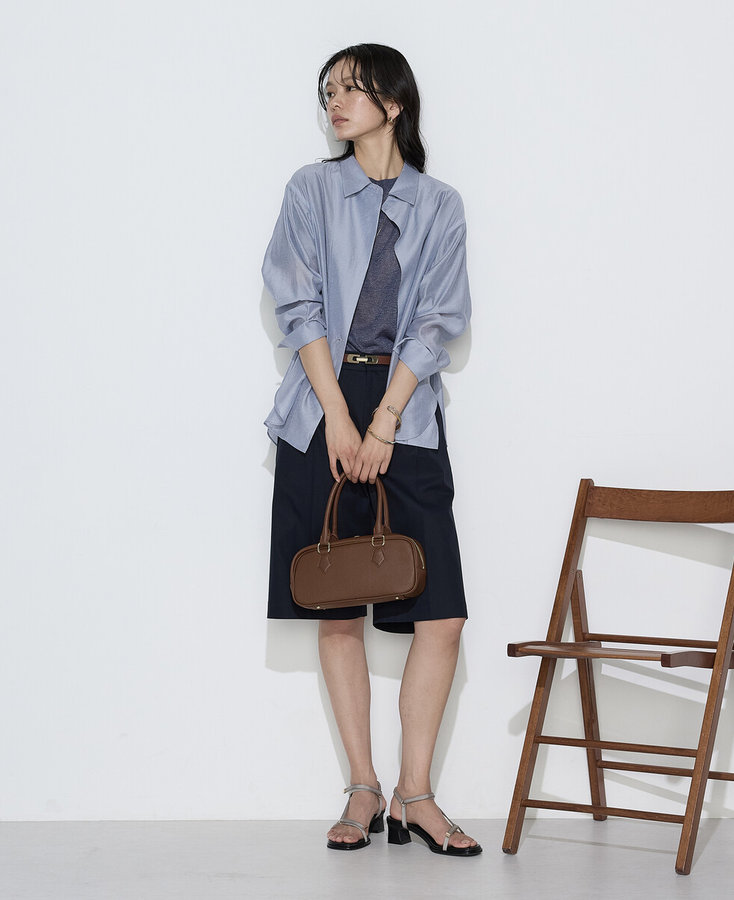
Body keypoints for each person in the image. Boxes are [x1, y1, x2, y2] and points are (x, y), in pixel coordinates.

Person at [262, 43, 480, 857]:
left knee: (442, 614)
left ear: (394, 102)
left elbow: (438, 317)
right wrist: (339, 417)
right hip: (322, 400)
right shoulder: (311, 190)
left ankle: (416, 795)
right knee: (336, 601)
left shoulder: (441, 205)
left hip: (406, 408)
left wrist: (384, 419)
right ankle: (363, 786)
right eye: (329, 91)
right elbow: (297, 301)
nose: (335, 102)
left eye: (352, 88)